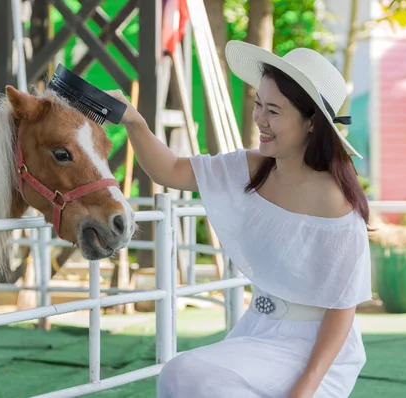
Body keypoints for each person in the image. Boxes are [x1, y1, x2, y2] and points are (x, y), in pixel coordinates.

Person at [106, 40, 372, 397]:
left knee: (188, 374)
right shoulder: (251, 167)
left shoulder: (333, 200)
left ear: (311, 123)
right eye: (258, 104)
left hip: (315, 350)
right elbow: (168, 169)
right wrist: (133, 121)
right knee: (181, 377)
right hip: (257, 331)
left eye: (274, 111)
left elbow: (342, 310)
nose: (260, 118)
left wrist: (304, 390)